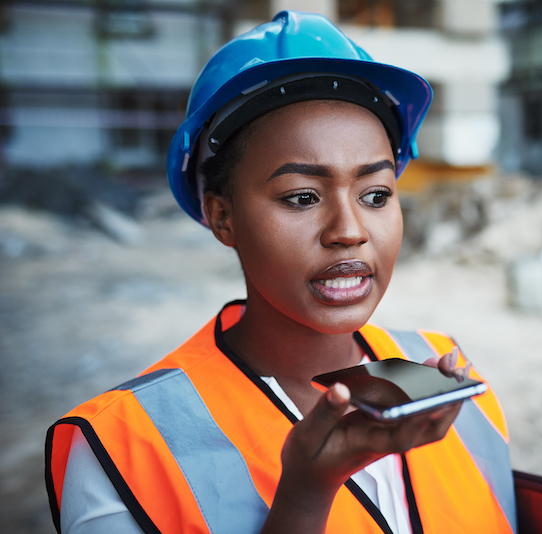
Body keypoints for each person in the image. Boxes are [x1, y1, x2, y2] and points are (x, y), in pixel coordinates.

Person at [45, 11, 517, 534]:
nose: (349, 230)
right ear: (223, 217)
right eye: (302, 197)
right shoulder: (123, 447)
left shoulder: (451, 383)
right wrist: (305, 496)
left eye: (376, 194)